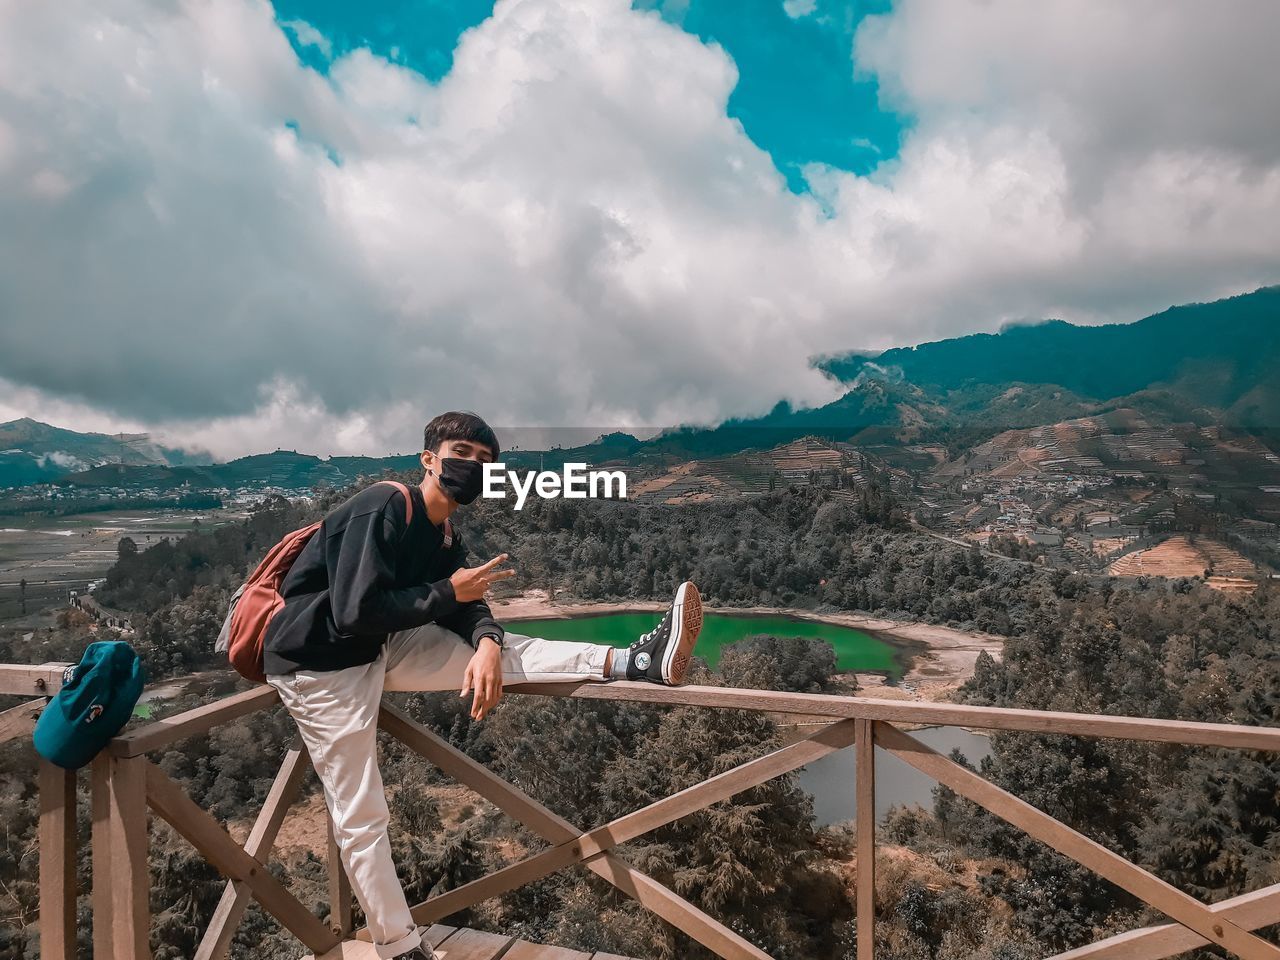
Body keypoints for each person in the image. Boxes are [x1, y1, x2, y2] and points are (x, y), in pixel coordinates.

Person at [263, 411, 703, 960]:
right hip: (320, 666)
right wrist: (450, 592)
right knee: (362, 810)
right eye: (461, 453)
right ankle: (399, 947)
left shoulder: (444, 535)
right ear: (429, 458)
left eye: (484, 460)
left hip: (379, 646)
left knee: (511, 651)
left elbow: (469, 605)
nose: (473, 466)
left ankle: (635, 662)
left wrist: (488, 643)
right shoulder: (385, 505)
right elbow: (355, 610)